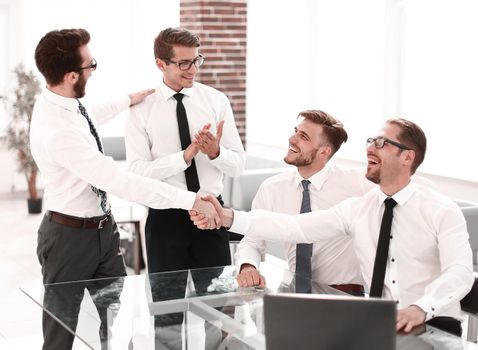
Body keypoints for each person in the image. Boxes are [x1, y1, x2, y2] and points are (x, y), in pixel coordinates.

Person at [192, 118, 474, 336]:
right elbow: (293, 227)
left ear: (407, 157)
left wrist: (420, 309)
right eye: (370, 141)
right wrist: (228, 217)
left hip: (435, 325)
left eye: (381, 142)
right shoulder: (357, 208)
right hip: (382, 325)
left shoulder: (440, 209)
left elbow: (460, 272)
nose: (369, 147)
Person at [30, 28, 219, 350]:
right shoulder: (58, 129)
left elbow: (89, 115)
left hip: (103, 231)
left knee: (112, 319)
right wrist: (191, 199)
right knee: (61, 328)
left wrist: (127, 100)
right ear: (72, 74)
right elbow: (121, 181)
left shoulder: (65, 104)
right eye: (92, 65)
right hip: (68, 238)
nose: (94, 70)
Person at [125, 26, 245, 275]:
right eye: (184, 63)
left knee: (217, 307)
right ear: (161, 64)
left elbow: (238, 166)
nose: (193, 70)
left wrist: (215, 152)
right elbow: (136, 173)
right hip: (165, 218)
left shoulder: (216, 101)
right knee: (167, 309)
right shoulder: (141, 109)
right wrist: (185, 157)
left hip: (212, 213)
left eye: (196, 60)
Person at [235, 110, 373, 295]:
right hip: (294, 292)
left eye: (303, 136)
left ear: (324, 151)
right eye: (295, 131)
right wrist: (248, 266)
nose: (292, 139)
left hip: (345, 295)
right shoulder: (272, 188)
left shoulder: (356, 183)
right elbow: (252, 239)